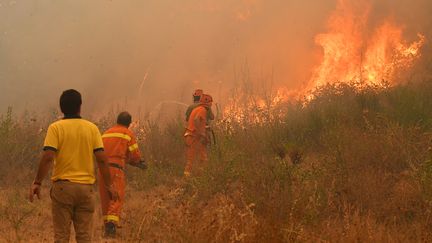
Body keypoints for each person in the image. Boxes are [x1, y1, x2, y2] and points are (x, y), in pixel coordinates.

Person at [29, 89, 119, 243]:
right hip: (86, 190)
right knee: (84, 238)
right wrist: (109, 185)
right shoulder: (92, 128)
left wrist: (37, 182)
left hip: (63, 189)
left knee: (61, 237)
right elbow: (102, 160)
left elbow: (48, 157)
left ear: (61, 107)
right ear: (80, 106)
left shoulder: (55, 128)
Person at [99, 111, 146, 237]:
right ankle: (111, 225)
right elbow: (134, 154)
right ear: (129, 123)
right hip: (116, 169)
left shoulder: (106, 133)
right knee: (116, 195)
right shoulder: (127, 133)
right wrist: (139, 162)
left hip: (102, 169)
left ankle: (106, 224)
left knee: (105, 197)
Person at [183, 94, 213, 177]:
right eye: (210, 103)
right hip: (194, 137)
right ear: (207, 103)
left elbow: (195, 122)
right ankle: (186, 179)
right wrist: (202, 133)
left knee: (202, 157)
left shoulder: (197, 109)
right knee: (192, 159)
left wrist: (205, 127)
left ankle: (200, 175)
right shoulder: (202, 110)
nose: (211, 105)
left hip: (192, 136)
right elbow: (196, 120)